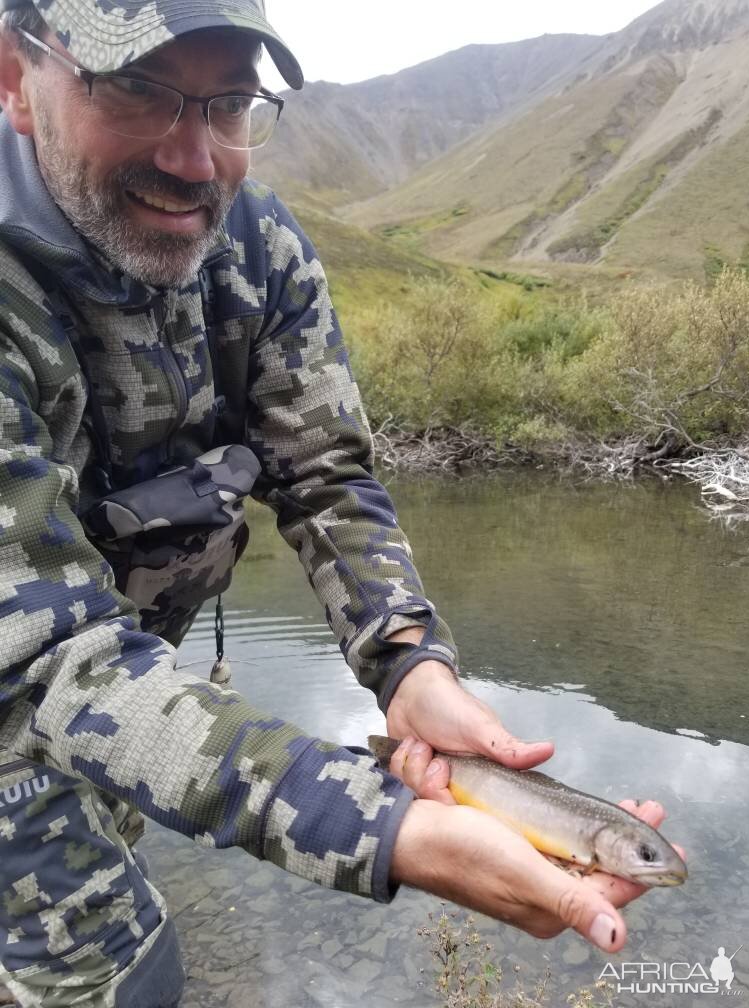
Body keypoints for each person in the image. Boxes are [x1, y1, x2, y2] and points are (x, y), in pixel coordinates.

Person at [0, 1, 675, 1004]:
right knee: (117, 973)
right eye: (137, 90)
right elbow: (46, 655)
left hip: (128, 688)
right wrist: (381, 825)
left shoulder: (255, 247)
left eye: (228, 103)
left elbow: (325, 473)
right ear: (16, 76)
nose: (195, 160)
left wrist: (407, 661)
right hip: (30, 684)